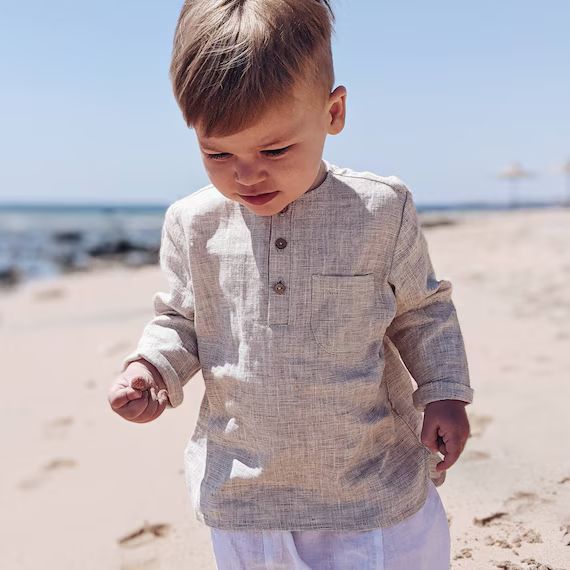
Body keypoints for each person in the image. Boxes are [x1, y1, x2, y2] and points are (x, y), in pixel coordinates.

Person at [107, 1, 474, 568]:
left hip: (372, 485)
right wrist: (151, 369)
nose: (246, 173)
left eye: (275, 149)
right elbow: (180, 321)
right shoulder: (193, 223)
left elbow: (422, 311)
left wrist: (443, 390)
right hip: (246, 492)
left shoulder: (379, 208)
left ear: (333, 112)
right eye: (217, 152)